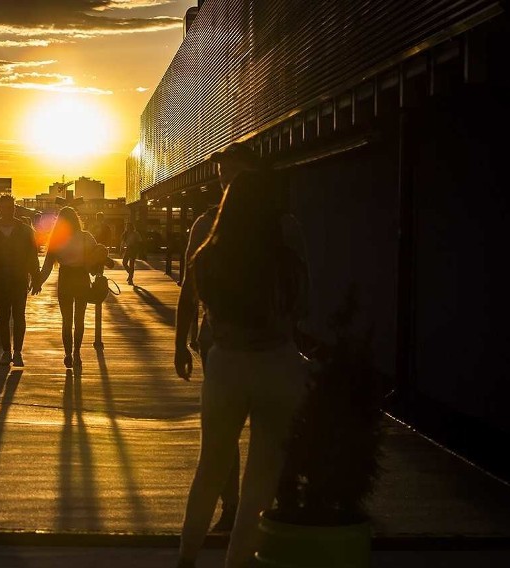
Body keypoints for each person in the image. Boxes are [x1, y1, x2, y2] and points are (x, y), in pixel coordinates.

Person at [176, 143, 310, 568]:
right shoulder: (286, 233)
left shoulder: (210, 245)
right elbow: (303, 302)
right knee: (262, 477)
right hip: (278, 364)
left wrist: (187, 340)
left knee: (209, 468)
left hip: (227, 363)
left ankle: (186, 561)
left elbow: (194, 294)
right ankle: (237, 561)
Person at [174, 193, 240, 534]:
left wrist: (180, 343)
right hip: (245, 344)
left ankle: (232, 509)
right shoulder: (283, 224)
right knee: (231, 429)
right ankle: (242, 506)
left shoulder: (206, 224)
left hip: (221, 340)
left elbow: (190, 285)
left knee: (222, 429)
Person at [0, 194, 41, 367]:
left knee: (19, 315)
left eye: (11, 207)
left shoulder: (25, 231)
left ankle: (18, 352)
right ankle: (6, 352)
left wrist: (36, 278)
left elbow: (32, 256)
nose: (8, 211)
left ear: (15, 209)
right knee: (3, 316)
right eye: (5, 208)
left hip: (19, 279)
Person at [34, 206, 97, 368]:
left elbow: (47, 266)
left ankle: (68, 353)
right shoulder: (86, 237)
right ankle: (77, 352)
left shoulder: (56, 239)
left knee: (66, 320)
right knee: (79, 319)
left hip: (65, 279)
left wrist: (38, 282)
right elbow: (97, 258)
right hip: (82, 278)